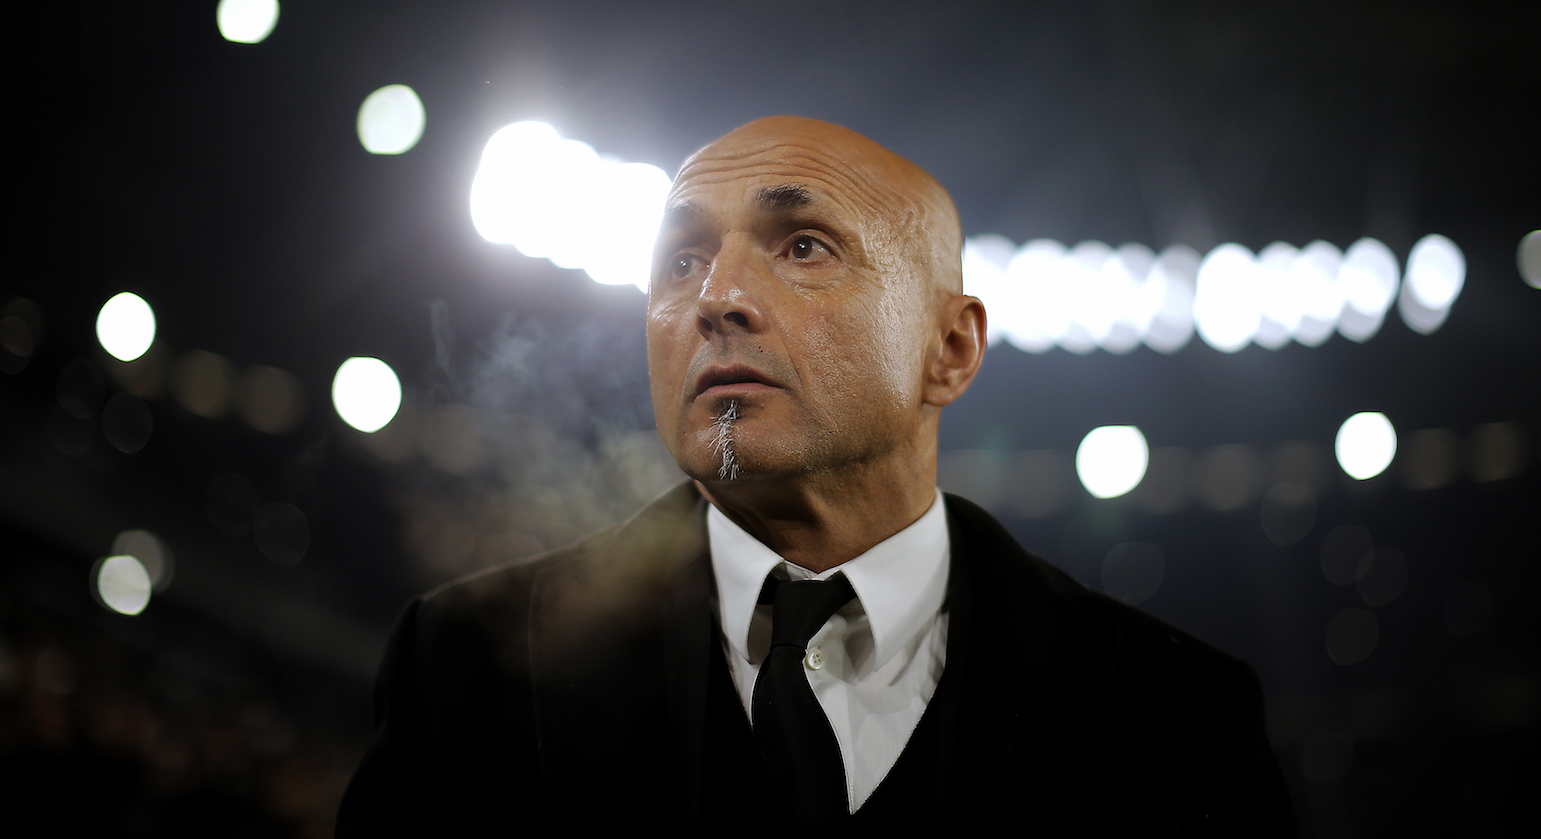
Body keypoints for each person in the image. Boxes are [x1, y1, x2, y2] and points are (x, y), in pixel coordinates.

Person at [336, 116, 1296, 836]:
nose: (716, 299)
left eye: (803, 246)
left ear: (951, 350)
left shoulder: (1179, 717)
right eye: (682, 260)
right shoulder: (462, 665)